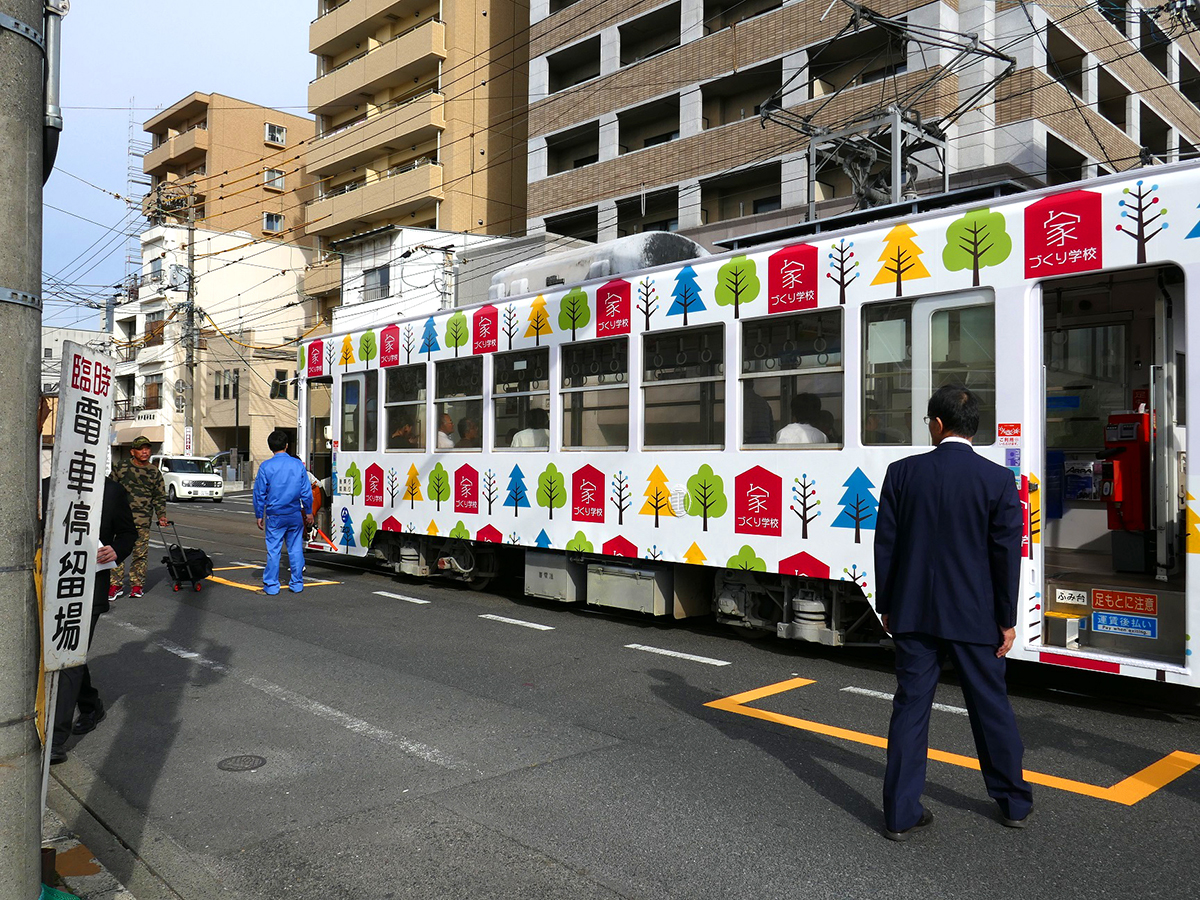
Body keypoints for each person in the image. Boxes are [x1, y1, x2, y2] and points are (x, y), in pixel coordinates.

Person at [873, 385, 1032, 841]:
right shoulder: (997, 481)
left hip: (914, 612)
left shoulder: (901, 473)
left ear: (938, 425)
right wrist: (1007, 618)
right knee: (990, 706)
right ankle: (1013, 802)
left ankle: (900, 815)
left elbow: (888, 546)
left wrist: (887, 605)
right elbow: (1005, 557)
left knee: (910, 706)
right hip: (975, 614)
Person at [52, 476, 137, 763]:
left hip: (90, 589)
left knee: (69, 657)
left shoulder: (111, 490)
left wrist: (117, 549)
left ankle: (55, 739)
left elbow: (128, 534)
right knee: (66, 654)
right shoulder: (47, 486)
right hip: (53, 588)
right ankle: (90, 706)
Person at [253, 430, 315, 595]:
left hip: (275, 515)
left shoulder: (266, 466)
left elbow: (259, 493)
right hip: (294, 513)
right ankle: (297, 583)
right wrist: (308, 512)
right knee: (295, 548)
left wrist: (259, 514)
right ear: (287, 446)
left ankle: (272, 586)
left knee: (274, 550)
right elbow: (306, 491)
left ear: (270, 447)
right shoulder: (297, 465)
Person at [110, 435, 168, 599]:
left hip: (142, 520)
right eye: (141, 448)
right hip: (120, 519)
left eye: (147, 448)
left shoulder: (154, 472)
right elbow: (109, 489)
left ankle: (136, 586)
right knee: (116, 552)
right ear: (132, 451)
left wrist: (161, 515)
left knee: (140, 554)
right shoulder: (120, 467)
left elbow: (159, 496)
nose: (145, 451)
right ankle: (115, 585)